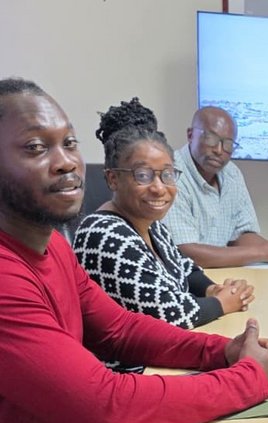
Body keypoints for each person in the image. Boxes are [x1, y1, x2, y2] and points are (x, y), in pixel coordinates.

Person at [0, 78, 268, 423]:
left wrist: (220, 354)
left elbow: (120, 329)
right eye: (35, 147)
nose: (66, 161)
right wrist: (250, 378)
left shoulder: (51, 248)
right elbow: (108, 408)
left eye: (69, 142)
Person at [73, 97, 254, 333]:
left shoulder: (151, 225)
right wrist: (222, 303)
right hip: (130, 355)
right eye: (143, 175)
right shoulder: (103, 234)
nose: (159, 188)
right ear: (113, 179)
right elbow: (167, 314)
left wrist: (212, 289)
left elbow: (185, 268)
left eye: (167, 175)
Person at [161, 105, 268, 268]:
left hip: (223, 276)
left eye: (228, 144)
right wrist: (265, 251)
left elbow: (240, 235)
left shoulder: (231, 173)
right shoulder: (170, 174)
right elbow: (185, 253)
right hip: (183, 279)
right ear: (190, 135)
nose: (219, 150)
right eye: (211, 139)